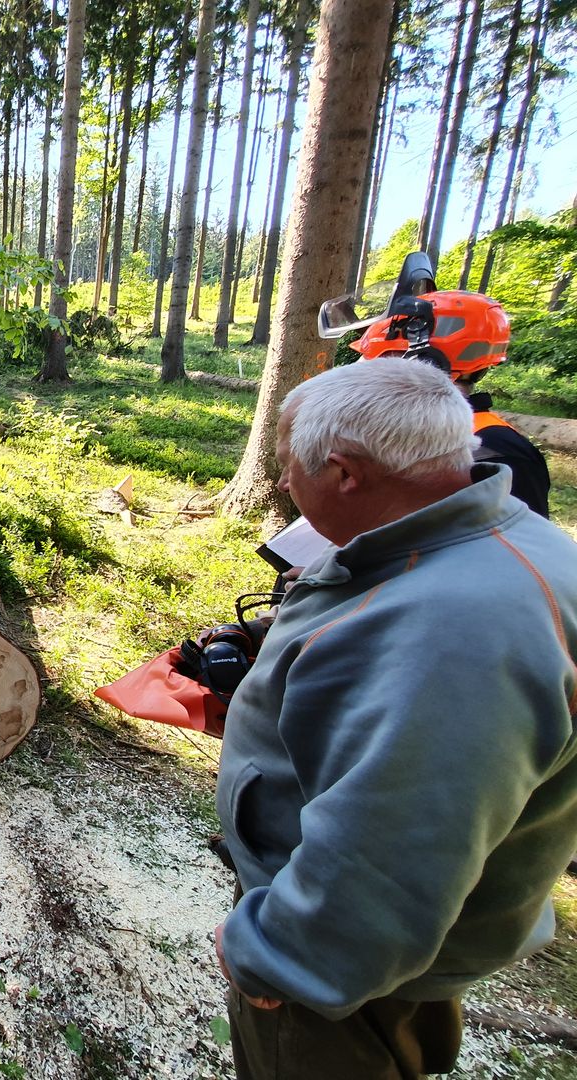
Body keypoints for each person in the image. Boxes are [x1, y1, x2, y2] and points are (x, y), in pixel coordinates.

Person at [213, 357, 577, 1079]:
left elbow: (387, 861)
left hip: (339, 983)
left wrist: (275, 957)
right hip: (408, 956)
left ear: (346, 473)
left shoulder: (454, 636)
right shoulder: (485, 543)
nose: (283, 483)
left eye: (290, 467)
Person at [353, 287, 551, 517]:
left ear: (425, 363)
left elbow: (516, 545)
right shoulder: (410, 429)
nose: (369, 374)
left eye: (382, 360)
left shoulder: (495, 449)